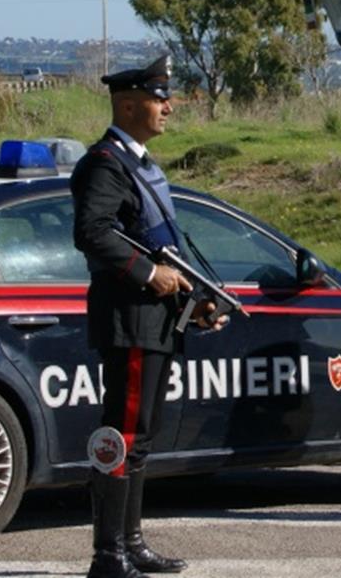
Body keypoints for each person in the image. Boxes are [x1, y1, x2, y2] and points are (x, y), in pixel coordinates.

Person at [72, 55, 226, 578]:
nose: (168, 107)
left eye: (167, 98)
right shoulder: (105, 162)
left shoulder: (140, 165)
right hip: (130, 319)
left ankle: (131, 543)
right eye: (160, 98)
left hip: (155, 319)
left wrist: (195, 302)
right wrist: (146, 275)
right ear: (129, 103)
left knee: (143, 436)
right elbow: (93, 232)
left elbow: (165, 250)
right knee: (124, 434)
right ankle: (107, 554)